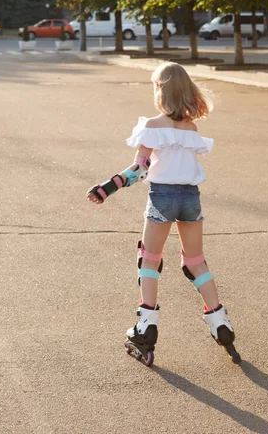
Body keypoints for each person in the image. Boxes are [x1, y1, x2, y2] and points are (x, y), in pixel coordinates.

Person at [87, 62, 240, 365]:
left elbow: (139, 169)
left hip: (163, 197)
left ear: (161, 89)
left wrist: (107, 188)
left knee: (150, 259)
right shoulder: (191, 129)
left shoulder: (152, 127)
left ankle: (146, 328)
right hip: (191, 199)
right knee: (195, 262)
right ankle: (220, 322)